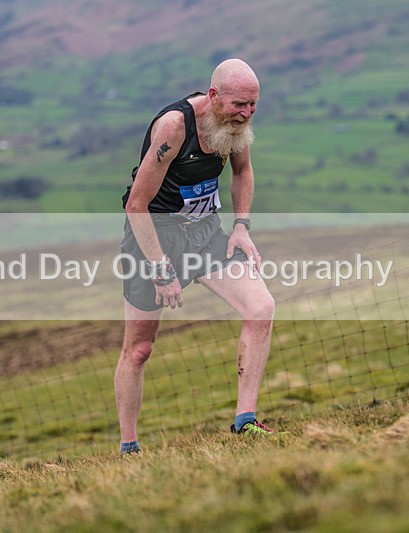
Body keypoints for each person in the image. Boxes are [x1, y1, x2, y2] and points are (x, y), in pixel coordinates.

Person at [116, 58, 277, 455]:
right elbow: (136, 205)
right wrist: (159, 267)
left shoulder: (236, 127)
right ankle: (129, 446)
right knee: (139, 349)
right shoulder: (174, 127)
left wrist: (241, 226)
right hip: (153, 235)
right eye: (239, 105)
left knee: (261, 308)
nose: (246, 114)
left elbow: (243, 172)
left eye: (253, 106)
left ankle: (245, 421)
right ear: (213, 95)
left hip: (205, 233)